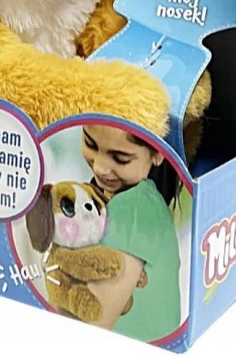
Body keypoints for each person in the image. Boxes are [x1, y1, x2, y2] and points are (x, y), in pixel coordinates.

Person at [80, 124, 182, 343]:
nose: (100, 167)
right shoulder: (140, 201)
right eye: (90, 143)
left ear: (158, 153)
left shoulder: (135, 207)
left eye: (120, 159)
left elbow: (95, 318)